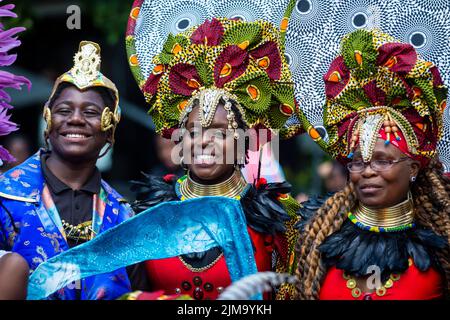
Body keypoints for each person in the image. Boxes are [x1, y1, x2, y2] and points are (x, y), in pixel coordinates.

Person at [122, 0, 304, 300]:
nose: (203, 142)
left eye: (219, 133)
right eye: (193, 132)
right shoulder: (148, 212)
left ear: (244, 142)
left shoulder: (277, 220)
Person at [295, 29, 450, 300]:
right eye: (357, 162)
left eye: (382, 160)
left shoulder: (443, 243)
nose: (367, 171)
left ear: (413, 168)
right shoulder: (319, 236)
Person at [0, 41, 134, 300]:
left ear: (109, 129)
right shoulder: (5, 196)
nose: (75, 119)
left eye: (91, 112)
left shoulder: (123, 216)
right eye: (63, 110)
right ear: (49, 121)